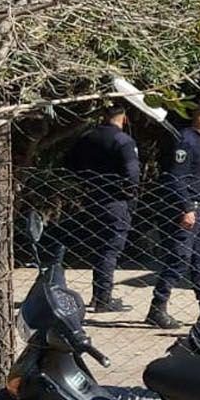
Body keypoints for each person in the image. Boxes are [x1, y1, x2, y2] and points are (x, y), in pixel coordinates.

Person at [147, 100, 200, 330]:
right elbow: (175, 177)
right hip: (189, 211)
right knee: (179, 259)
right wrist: (187, 207)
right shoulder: (186, 141)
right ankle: (157, 307)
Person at [61, 104, 140, 312]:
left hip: (91, 199)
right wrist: (129, 195)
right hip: (115, 202)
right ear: (123, 118)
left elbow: (69, 165)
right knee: (110, 250)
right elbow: (132, 174)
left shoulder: (87, 137)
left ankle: (98, 296)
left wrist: (88, 182)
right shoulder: (123, 141)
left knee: (99, 248)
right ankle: (103, 298)